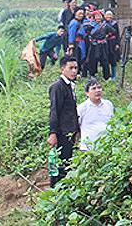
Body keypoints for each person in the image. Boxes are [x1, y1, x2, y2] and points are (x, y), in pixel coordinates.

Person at [48, 56, 79, 187]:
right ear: (62, 69)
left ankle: (63, 189)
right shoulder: (58, 87)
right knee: (60, 164)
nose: (74, 71)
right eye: (70, 68)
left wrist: (76, 130)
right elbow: (54, 110)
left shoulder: (69, 86)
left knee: (67, 162)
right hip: (62, 132)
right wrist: (53, 133)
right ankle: (56, 190)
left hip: (69, 131)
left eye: (76, 68)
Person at [77, 78, 114, 151]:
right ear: (87, 93)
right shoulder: (82, 108)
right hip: (88, 148)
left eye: (99, 88)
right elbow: (76, 127)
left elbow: (113, 122)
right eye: (93, 88)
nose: (97, 90)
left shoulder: (109, 104)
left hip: (106, 147)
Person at [87, 12, 112, 79]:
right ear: (94, 17)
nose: (98, 18)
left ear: (102, 17)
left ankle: (106, 76)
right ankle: (92, 75)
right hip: (94, 45)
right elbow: (87, 32)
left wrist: (107, 35)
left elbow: (113, 31)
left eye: (99, 16)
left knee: (105, 60)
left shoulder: (105, 25)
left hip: (103, 45)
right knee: (93, 60)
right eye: (96, 16)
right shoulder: (91, 25)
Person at [67, 8, 87, 76]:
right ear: (75, 14)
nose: (81, 15)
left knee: (81, 58)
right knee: (77, 59)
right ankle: (76, 74)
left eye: (82, 14)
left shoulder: (80, 22)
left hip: (82, 43)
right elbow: (71, 35)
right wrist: (71, 46)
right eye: (79, 13)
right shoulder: (74, 23)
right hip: (77, 44)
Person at [104, 10, 121, 80]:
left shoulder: (114, 23)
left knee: (113, 59)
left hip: (113, 42)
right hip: (105, 43)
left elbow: (117, 34)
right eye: (107, 15)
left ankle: (114, 75)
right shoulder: (103, 24)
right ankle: (107, 74)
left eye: (110, 15)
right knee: (106, 59)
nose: (109, 16)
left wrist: (117, 43)